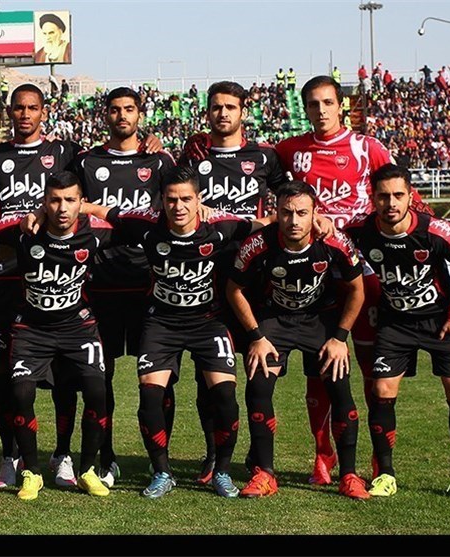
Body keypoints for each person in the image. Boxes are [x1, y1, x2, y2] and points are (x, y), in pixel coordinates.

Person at [275, 76, 432, 485]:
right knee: (320, 373)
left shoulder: (368, 147)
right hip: (316, 277)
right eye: (313, 104)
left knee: (371, 371)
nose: (321, 110)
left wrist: (428, 235)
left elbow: (405, 196)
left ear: (340, 105)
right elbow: (250, 163)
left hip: (364, 273)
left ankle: (379, 461)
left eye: (328, 102)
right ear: (305, 108)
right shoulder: (290, 150)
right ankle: (323, 455)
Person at [80, 165, 269, 498]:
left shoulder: (220, 225)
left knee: (225, 395)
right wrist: (54, 210)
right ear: (161, 200)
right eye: (171, 199)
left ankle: (222, 472)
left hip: (208, 322)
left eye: (186, 199)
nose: (178, 207)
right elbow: (102, 211)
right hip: (161, 323)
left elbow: (265, 224)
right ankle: (162, 472)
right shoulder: (146, 224)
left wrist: (319, 222)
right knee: (151, 394)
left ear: (199, 199)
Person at [0, 83, 82, 489]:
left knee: (65, 370)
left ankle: (62, 454)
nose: (25, 114)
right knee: (4, 372)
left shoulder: (66, 152)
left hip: (58, 277)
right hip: (9, 277)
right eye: (18, 108)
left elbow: (97, 187)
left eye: (32, 107)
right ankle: (9, 455)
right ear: (9, 112)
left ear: (43, 111)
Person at [343, 164, 450, 498]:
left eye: (398, 195)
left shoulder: (435, 231)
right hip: (396, 323)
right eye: (383, 196)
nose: (391, 203)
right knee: (381, 388)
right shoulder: (361, 230)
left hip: (440, 322)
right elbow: (334, 240)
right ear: (373, 198)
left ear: (409, 196)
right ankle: (385, 474)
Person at [226, 181, 369, 500]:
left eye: (302, 213)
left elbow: (357, 290)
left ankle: (349, 475)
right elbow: (234, 290)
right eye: (287, 212)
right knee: (258, 385)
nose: (294, 221)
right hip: (275, 320)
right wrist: (256, 337)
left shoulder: (334, 241)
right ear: (276, 212)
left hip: (321, 320)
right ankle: (264, 473)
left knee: (340, 387)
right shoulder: (258, 244)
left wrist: (340, 338)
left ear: (315, 213)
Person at [179, 81, 289, 485]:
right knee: (209, 376)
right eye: (216, 107)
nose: (222, 113)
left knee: (259, 371)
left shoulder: (264, 156)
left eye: (230, 106)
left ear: (244, 111)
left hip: (256, 278)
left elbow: (292, 200)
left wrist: (268, 221)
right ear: (207, 112)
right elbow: (172, 195)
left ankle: (259, 459)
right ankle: (213, 454)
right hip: (207, 276)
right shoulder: (195, 155)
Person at [66, 87, 175, 488]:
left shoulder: (159, 160)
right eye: (114, 110)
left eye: (129, 109)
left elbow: (180, 202)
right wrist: (96, 210)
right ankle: (106, 458)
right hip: (100, 283)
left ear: (140, 114)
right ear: (105, 115)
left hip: (150, 284)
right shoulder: (87, 161)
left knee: (160, 381)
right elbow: (69, 202)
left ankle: (159, 461)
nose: (122, 116)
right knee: (99, 380)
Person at [0, 171, 114, 501]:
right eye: (54, 200)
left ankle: (87, 470)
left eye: (70, 200)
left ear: (80, 202)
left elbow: (127, 220)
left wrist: (89, 209)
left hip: (78, 327)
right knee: (20, 393)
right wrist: (31, 215)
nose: (62, 208)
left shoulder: (95, 231)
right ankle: (32, 472)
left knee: (97, 390)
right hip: (32, 329)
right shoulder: (26, 230)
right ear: (44, 202)